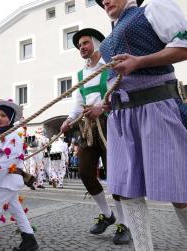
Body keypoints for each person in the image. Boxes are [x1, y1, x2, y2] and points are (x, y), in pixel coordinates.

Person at [96, 0, 187, 249]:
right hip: (122, 116)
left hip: (156, 107)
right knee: (127, 190)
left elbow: (184, 46)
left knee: (178, 189)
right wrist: (108, 101)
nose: (104, 0)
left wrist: (139, 62)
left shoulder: (152, 8)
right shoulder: (113, 33)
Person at [60, 28, 130, 244]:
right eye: (79, 45)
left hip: (110, 124)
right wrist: (69, 120)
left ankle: (124, 224)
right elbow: (78, 103)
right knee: (84, 172)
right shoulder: (81, 75)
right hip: (88, 127)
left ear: (97, 44)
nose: (81, 47)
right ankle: (108, 215)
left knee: (116, 178)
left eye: (85, 43)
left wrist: (101, 108)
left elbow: (116, 93)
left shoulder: (109, 66)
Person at [0, 98, 39, 251]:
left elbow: (7, 162)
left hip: (8, 180)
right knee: (17, 210)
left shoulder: (14, 135)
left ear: (11, 117)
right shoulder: (1, 137)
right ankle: (29, 240)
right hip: (4, 180)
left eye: (3, 115)